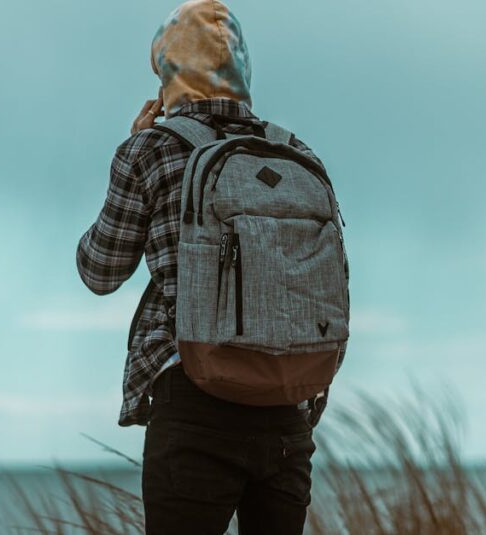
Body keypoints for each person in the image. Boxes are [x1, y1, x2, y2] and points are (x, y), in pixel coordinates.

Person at [76, 1, 341, 533]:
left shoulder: (151, 149)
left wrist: (131, 145)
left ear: (168, 72)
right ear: (243, 69)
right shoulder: (294, 153)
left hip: (196, 403)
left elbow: (99, 272)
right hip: (287, 410)